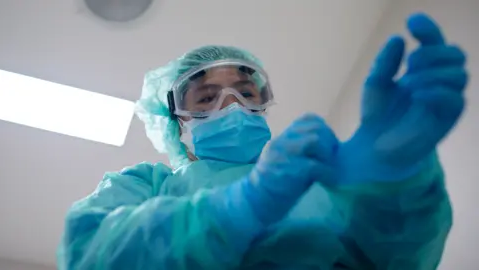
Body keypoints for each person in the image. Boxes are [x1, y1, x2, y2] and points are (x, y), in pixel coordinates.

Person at [57, 13, 468, 269]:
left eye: (245, 93)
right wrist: (242, 206)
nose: (232, 106)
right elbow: (89, 254)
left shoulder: (321, 183)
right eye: (206, 97)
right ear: (179, 125)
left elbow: (401, 261)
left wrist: (399, 185)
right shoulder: (147, 184)